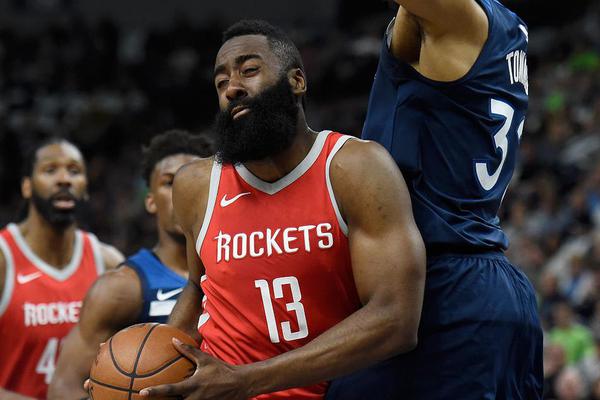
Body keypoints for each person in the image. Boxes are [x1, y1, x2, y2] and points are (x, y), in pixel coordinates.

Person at [137, 20, 426, 400]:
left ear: (297, 81)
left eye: (249, 70)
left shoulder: (354, 167)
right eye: (221, 83)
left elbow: (396, 319)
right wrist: (143, 379)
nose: (232, 88)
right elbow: (197, 287)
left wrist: (246, 380)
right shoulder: (197, 185)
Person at [335, 0, 542, 398]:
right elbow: (403, 43)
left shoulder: (463, 18)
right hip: (480, 282)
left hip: (442, 291)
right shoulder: (498, 27)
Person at [48, 130, 213, 399]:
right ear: (150, 200)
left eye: (193, 181)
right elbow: (63, 387)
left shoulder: (242, 271)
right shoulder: (121, 287)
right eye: (169, 182)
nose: (182, 191)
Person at [0, 138, 123, 399]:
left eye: (74, 171)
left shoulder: (108, 262)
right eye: (50, 170)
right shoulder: (4, 259)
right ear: (26, 186)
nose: (64, 179)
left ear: (85, 187)